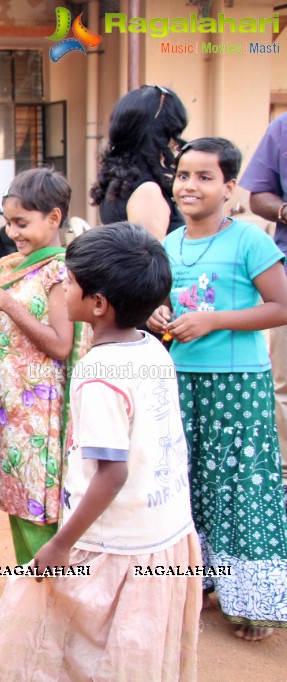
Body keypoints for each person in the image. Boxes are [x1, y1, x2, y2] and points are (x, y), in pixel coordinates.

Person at [0, 222, 201, 681]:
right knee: (129, 649)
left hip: (115, 547)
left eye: (69, 282)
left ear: (97, 304)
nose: (62, 286)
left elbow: (112, 473)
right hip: (165, 535)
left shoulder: (99, 371)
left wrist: (59, 544)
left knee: (66, 644)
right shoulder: (151, 348)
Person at [148, 137, 287, 641]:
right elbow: (159, 305)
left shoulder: (250, 241)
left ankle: (254, 603)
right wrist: (156, 313)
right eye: (183, 175)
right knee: (187, 484)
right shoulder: (167, 244)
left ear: (230, 188)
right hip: (181, 380)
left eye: (205, 177)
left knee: (240, 485)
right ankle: (198, 583)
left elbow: (281, 306)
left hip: (239, 385)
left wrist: (214, 321)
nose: (190, 185)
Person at [0, 168, 91, 565]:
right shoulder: (10, 265)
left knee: (37, 502)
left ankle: (48, 596)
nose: (13, 231)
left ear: (54, 218)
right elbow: (0, 332)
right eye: (9, 221)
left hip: (38, 411)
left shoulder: (60, 271)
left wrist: (7, 305)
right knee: (15, 496)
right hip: (6, 402)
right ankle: (29, 596)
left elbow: (61, 344)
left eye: (22, 223)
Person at [239, 112, 287, 476]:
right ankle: (284, 471)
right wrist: (284, 209)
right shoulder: (282, 127)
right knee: (283, 381)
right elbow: (259, 197)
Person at [89, 84, 188, 241]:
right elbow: (149, 260)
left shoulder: (118, 183)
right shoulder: (146, 192)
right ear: (159, 132)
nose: (175, 140)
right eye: (174, 130)